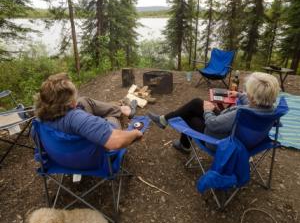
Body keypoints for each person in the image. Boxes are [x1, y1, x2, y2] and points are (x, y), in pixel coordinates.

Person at [148, 72, 280, 153]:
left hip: (219, 142)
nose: (247, 92)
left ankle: (183, 144)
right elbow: (251, 103)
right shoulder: (269, 110)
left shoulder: (242, 113)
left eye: (248, 91)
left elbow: (212, 124)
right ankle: (164, 120)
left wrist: (208, 111)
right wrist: (239, 95)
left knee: (190, 116)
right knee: (196, 102)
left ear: (253, 96)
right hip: (240, 139)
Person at [35, 73, 142, 150]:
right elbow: (116, 142)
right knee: (112, 117)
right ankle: (119, 111)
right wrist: (135, 133)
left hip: (63, 155)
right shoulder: (77, 118)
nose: (75, 100)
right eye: (73, 97)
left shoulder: (40, 117)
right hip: (94, 153)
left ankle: (122, 109)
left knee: (84, 101)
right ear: (68, 102)